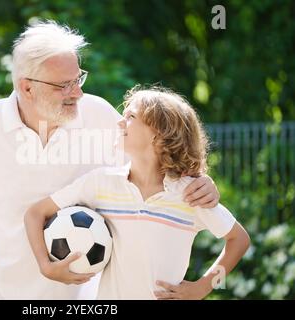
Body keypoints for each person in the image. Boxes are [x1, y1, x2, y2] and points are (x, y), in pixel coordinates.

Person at [0, 21, 220, 300]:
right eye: (63, 85)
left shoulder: (99, 116)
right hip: (5, 291)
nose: (77, 93)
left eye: (78, 79)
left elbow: (154, 164)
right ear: (27, 87)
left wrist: (199, 180)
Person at [24, 86, 250, 299]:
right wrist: (46, 266)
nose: (120, 123)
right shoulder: (101, 183)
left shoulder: (189, 195)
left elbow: (239, 240)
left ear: (160, 133)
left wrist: (203, 287)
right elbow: (35, 214)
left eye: (130, 117)